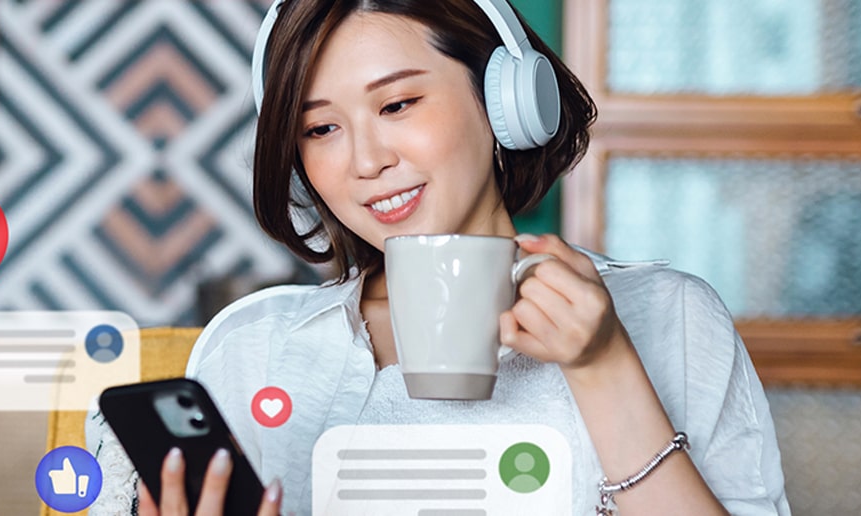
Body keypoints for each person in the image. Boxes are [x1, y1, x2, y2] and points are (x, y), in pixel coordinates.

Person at [85, 0, 791, 514]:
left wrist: (604, 369)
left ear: (505, 100)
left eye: (396, 105)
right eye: (322, 127)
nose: (365, 161)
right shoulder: (252, 347)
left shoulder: (667, 314)